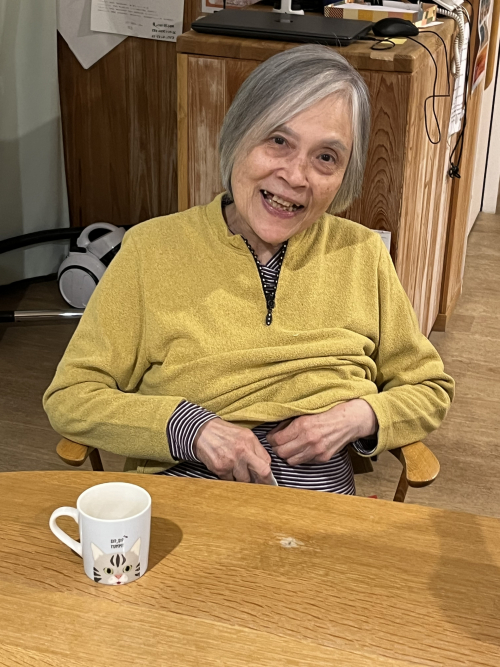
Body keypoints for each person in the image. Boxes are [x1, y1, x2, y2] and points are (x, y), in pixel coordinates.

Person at [43, 45, 454, 495]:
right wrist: (191, 429)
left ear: (344, 177)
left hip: (318, 507)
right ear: (239, 135)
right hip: (186, 491)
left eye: (326, 157)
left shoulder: (361, 254)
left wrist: (359, 416)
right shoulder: (150, 249)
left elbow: (429, 388)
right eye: (278, 141)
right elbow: (72, 396)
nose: (295, 176)